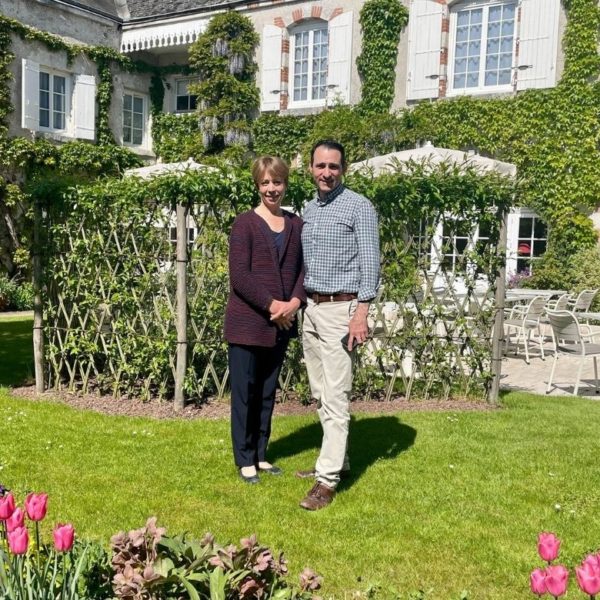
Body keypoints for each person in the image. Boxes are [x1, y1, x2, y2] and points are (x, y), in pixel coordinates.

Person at [297, 140, 380, 510]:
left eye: (333, 166)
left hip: (342, 311)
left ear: (343, 168)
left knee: (337, 395)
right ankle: (338, 461)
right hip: (312, 310)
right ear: (311, 169)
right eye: (320, 166)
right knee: (319, 392)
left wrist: (361, 313)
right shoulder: (308, 209)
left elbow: (371, 264)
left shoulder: (359, 207)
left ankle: (326, 480)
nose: (326, 173)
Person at [224, 156, 305, 484]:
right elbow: (239, 276)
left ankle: (260, 453)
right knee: (245, 392)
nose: (272, 189)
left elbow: (303, 269)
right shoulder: (244, 224)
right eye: (265, 183)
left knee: (267, 393)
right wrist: (275, 306)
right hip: (248, 324)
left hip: (280, 326)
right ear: (257, 186)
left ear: (285, 184)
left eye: (277, 182)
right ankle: (244, 458)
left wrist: (294, 304)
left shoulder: (296, 225)